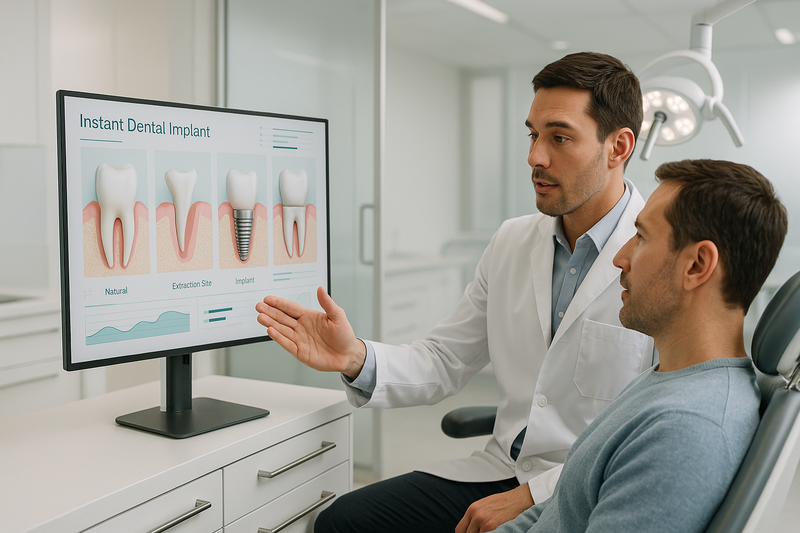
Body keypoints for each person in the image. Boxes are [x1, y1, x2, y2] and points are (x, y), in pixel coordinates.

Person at [256, 52, 655, 533]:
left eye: (559, 137)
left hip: (588, 488)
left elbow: (650, 433)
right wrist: (355, 358)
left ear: (618, 147)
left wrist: (535, 495)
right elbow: (445, 359)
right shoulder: (512, 241)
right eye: (532, 135)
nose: (535, 157)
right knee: (344, 522)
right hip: (500, 471)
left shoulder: (659, 257)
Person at [490, 159, 788, 533]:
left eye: (642, 237)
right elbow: (564, 507)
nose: (620, 258)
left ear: (697, 265)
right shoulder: (668, 378)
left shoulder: (685, 430)